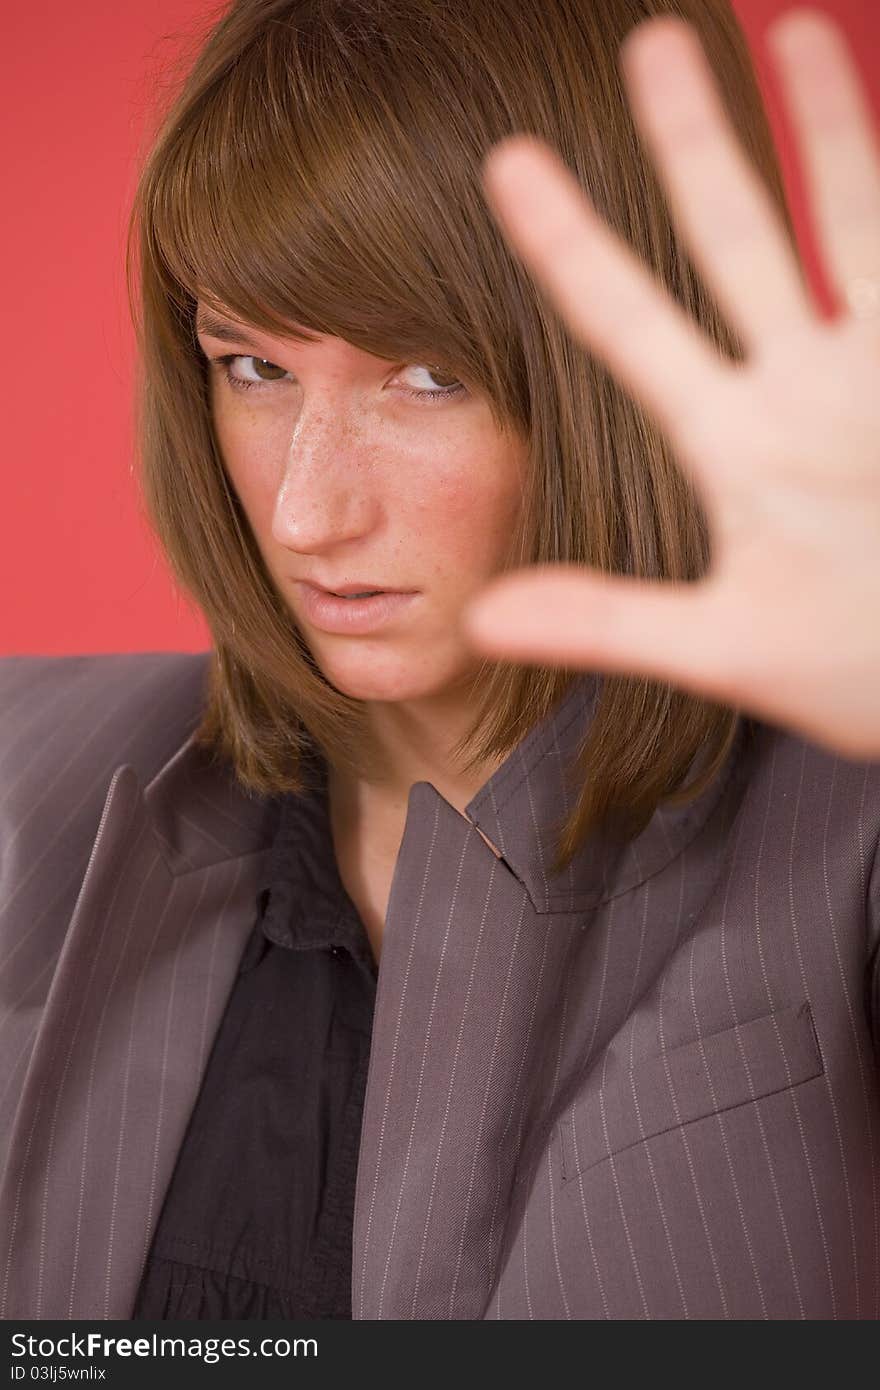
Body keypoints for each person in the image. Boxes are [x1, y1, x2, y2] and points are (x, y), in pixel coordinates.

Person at [1, 0, 879, 1321]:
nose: (306, 513)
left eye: (423, 377)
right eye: (252, 366)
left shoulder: (849, 820)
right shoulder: (23, 771)